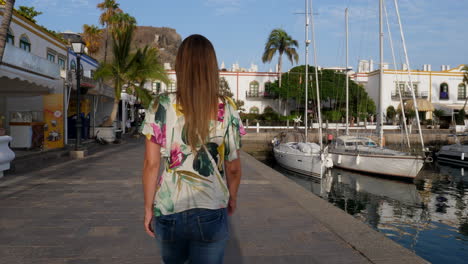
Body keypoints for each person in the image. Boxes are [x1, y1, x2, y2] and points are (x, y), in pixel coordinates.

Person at [141, 34, 245, 264]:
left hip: (169, 209)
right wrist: (232, 197)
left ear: (180, 66)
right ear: (212, 67)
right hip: (211, 207)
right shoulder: (226, 106)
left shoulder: (160, 104)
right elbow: (234, 166)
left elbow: (151, 164)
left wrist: (149, 208)